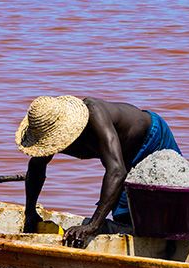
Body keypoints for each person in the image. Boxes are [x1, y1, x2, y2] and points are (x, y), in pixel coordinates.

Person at [16, 95, 180, 248]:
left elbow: (117, 171)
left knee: (164, 210)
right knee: (123, 213)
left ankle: (165, 248)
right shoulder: (48, 135)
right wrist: (30, 211)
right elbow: (36, 166)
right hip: (121, 156)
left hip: (151, 140)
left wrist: (93, 225)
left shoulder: (95, 115)